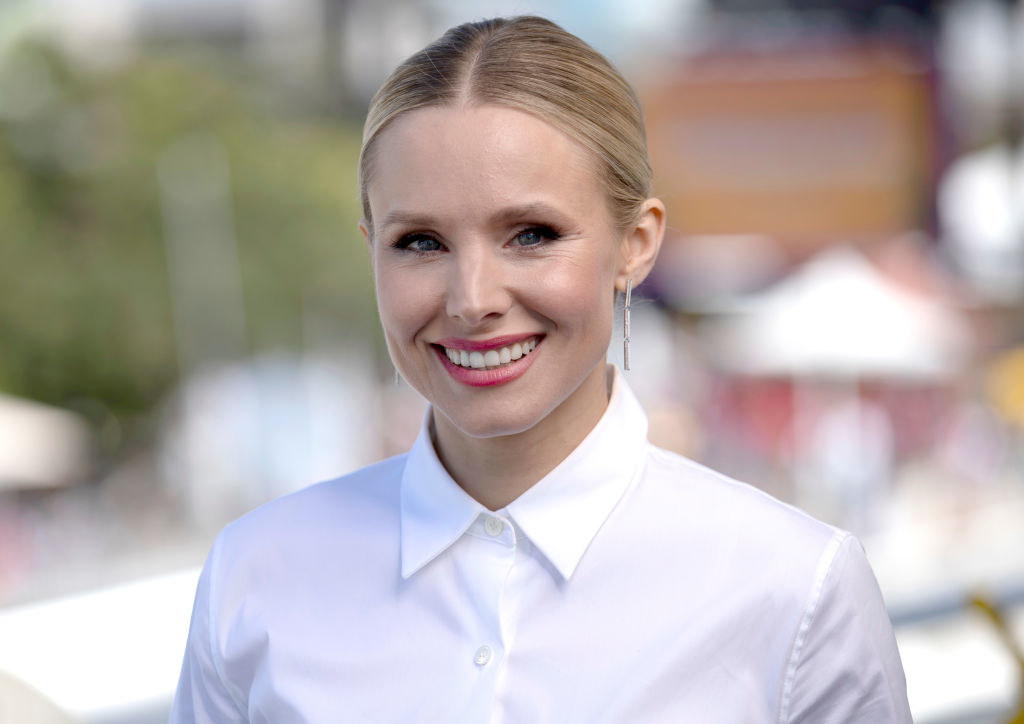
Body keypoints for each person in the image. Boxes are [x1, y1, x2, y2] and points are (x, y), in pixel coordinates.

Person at [171, 16, 911, 723]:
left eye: (531, 234)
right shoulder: (254, 577)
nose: (472, 300)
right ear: (370, 248)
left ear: (635, 243)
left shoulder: (794, 589)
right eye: (421, 243)